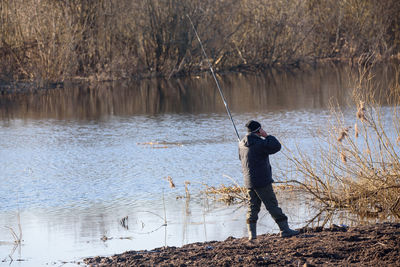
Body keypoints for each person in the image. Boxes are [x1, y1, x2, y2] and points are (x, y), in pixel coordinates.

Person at [239, 120, 299, 240]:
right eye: (261, 129)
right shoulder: (260, 143)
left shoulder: (241, 144)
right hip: (262, 181)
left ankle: (252, 235)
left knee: (253, 206)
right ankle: (285, 230)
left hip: (249, 181)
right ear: (258, 130)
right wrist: (267, 136)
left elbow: (240, 158)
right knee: (272, 205)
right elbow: (277, 146)